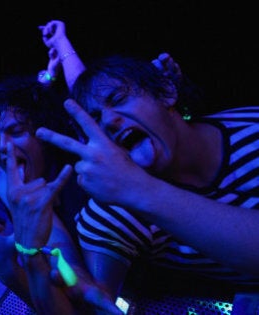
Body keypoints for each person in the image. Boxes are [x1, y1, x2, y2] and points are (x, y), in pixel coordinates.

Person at [36, 54, 259, 311]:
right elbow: (94, 299)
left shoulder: (251, 128)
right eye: (95, 120)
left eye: (118, 99)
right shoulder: (115, 210)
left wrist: (141, 190)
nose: (108, 121)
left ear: (165, 92)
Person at [0, 75, 120, 314]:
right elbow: (62, 264)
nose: (4, 146)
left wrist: (9, 270)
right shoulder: (30, 191)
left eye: (16, 131)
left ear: (44, 132)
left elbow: (90, 308)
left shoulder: (89, 186)